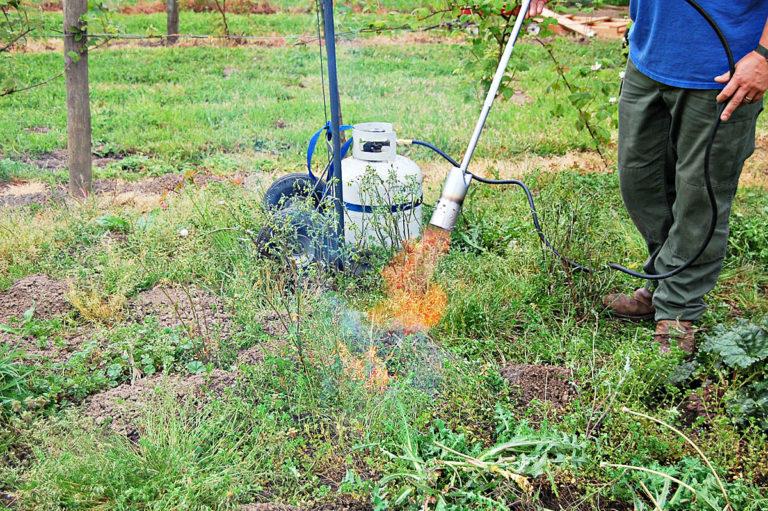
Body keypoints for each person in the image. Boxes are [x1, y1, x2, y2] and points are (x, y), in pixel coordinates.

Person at [603, 0, 768, 353]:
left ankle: (677, 308)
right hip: (649, 56)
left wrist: (764, 56)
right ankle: (666, 280)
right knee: (639, 183)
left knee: (700, 197)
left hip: (724, 71)